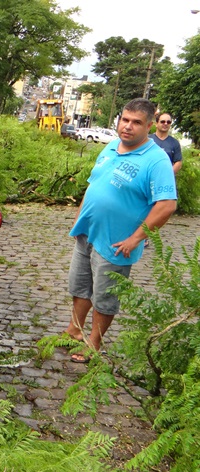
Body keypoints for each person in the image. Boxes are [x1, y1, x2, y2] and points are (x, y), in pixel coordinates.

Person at [63, 98, 177, 363]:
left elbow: (167, 206)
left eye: (136, 122)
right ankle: (74, 330)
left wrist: (136, 239)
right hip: (88, 232)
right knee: (80, 286)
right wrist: (80, 217)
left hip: (117, 242)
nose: (128, 126)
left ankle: (94, 343)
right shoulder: (111, 147)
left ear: (149, 126)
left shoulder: (156, 160)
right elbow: (93, 184)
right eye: (125, 119)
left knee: (105, 295)